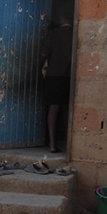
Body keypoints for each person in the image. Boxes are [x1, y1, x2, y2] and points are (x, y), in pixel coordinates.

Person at [40, 13, 73, 153]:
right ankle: (67, 144)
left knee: (53, 110)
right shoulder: (75, 34)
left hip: (54, 76)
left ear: (61, 19)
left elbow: (43, 54)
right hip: (70, 76)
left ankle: (53, 144)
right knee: (68, 111)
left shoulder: (54, 34)